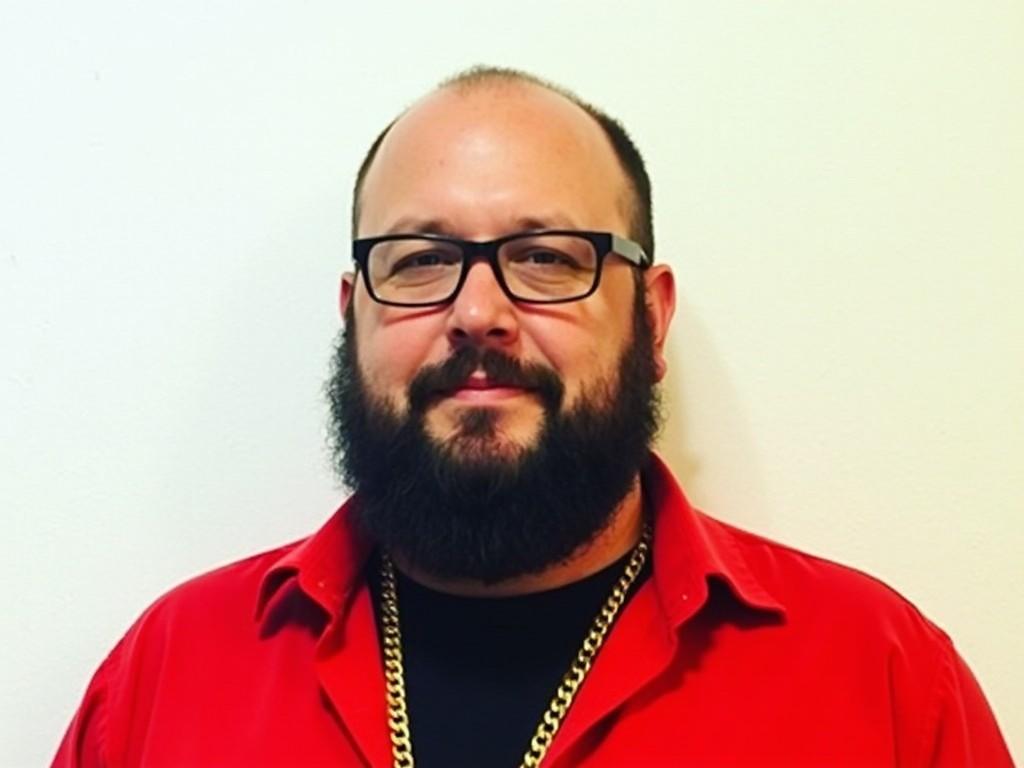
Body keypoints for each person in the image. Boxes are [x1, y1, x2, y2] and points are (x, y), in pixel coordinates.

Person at [54, 66, 1012, 768]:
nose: (478, 313)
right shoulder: (164, 679)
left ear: (653, 314)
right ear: (353, 314)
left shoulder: (882, 683)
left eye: (550, 257)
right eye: (419, 260)